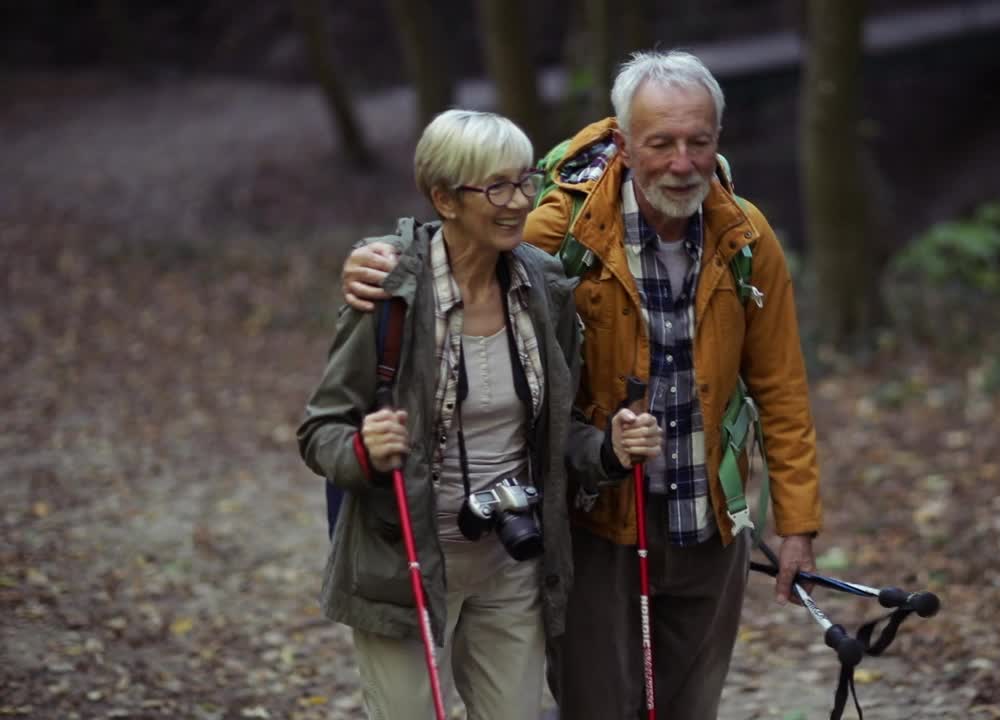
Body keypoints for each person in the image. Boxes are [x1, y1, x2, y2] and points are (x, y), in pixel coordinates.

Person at [342, 51, 823, 720]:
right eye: (661, 144)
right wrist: (378, 258)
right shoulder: (560, 229)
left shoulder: (745, 235)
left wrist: (797, 521)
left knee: (691, 708)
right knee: (597, 704)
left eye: (699, 143)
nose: (683, 163)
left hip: (711, 521)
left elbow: (780, 384)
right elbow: (462, 243)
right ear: (624, 143)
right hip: (595, 519)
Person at [298, 109, 662, 720]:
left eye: (524, 182)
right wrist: (363, 449)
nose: (519, 201)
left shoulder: (544, 288)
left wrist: (610, 451)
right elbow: (319, 430)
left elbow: (558, 432)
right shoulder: (390, 296)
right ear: (444, 197)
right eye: (496, 187)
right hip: (404, 566)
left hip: (510, 561)